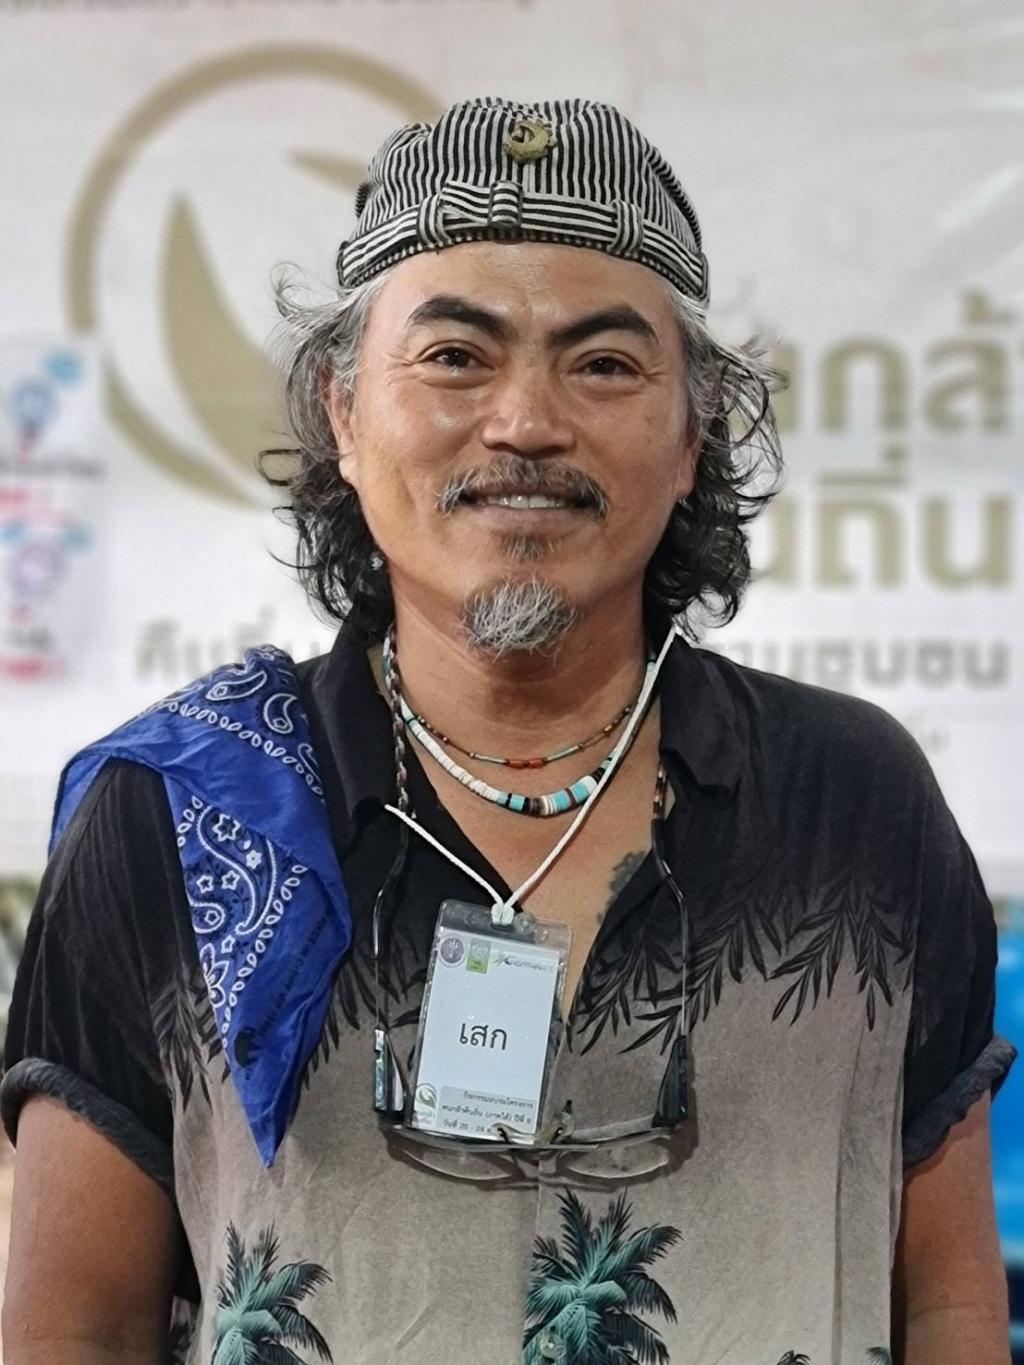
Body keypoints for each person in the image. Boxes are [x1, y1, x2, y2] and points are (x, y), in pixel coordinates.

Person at [0, 97, 1015, 1365]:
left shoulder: (854, 803)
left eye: (604, 365)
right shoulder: (184, 813)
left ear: (693, 435)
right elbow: (78, 1327)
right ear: (341, 412)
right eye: (454, 356)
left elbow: (946, 1307)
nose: (526, 422)